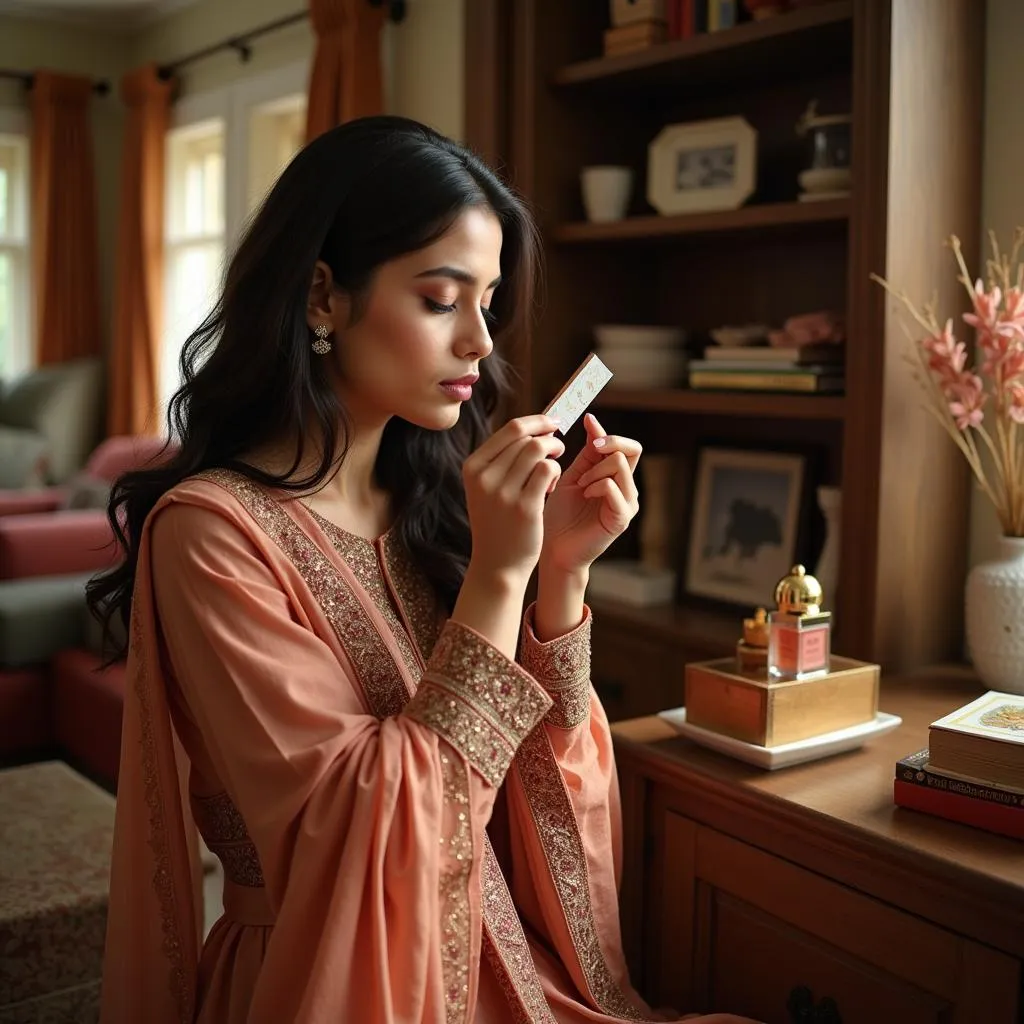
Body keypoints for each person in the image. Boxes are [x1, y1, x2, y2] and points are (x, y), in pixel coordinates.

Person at [93, 116, 756, 1024]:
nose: (481, 343)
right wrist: (496, 575)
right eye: (443, 300)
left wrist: (556, 574)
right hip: (335, 983)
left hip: (508, 967)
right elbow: (365, 841)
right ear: (323, 296)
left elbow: (536, 787)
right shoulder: (210, 536)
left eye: (488, 301)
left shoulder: (433, 503)